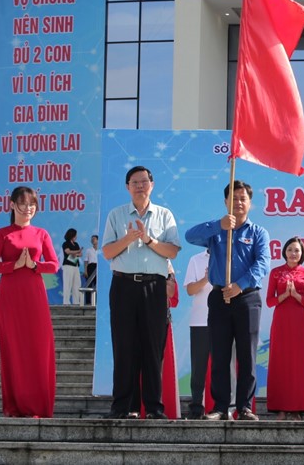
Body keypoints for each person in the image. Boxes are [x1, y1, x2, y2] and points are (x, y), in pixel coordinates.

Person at [186, 179, 269, 421]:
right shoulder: (216, 230)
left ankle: (243, 407)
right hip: (219, 297)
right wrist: (218, 225)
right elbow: (190, 236)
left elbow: (262, 263)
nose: (239, 202)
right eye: (234, 198)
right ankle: (220, 407)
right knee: (220, 354)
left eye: (243, 198)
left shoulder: (258, 233)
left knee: (247, 355)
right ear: (225, 202)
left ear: (250, 203)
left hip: (247, 298)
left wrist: (240, 285)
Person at [101, 165, 181, 420]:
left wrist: (148, 240)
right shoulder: (116, 214)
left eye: (144, 181)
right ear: (127, 187)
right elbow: (107, 253)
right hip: (123, 285)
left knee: (152, 348)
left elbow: (172, 251)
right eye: (134, 182)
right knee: (123, 347)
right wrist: (128, 238)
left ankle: (154, 408)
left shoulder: (164, 215)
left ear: (152, 185)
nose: (139, 186)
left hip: (153, 287)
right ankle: (122, 406)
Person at [0, 186, 59, 418]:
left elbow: (54, 264)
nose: (28, 209)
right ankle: (15, 406)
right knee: (14, 350)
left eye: (32, 205)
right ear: (12, 205)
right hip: (10, 297)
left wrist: (35, 266)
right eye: (23, 204)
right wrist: (13, 266)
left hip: (35, 296)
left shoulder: (41, 234)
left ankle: (39, 407)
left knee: (39, 349)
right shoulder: (2, 234)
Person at [266, 236, 304, 419]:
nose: (293, 253)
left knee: (299, 363)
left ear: (302, 253)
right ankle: (281, 408)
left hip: (299, 322)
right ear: (284, 252)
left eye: (297, 250)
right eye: (290, 249)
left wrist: (296, 295)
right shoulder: (275, 272)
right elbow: (269, 300)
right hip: (281, 321)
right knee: (280, 362)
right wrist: (284, 296)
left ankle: (298, 408)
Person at [131, 265, 181, 419]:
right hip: (137, 316)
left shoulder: (165, 266)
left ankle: (155, 408)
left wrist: (167, 275)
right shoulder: (135, 264)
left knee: (156, 366)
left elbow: (171, 294)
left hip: (159, 320)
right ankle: (134, 407)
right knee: (134, 362)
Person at [183, 249, 212, 419]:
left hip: (223, 320)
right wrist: (206, 279)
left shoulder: (229, 257)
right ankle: (196, 406)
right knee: (198, 367)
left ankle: (222, 407)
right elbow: (190, 290)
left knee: (222, 367)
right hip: (200, 320)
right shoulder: (196, 259)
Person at [61, 228, 82, 305]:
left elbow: (80, 254)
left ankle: (76, 302)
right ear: (72, 235)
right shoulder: (65, 243)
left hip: (75, 265)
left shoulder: (76, 244)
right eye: (75, 235)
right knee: (67, 283)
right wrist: (77, 252)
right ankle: (66, 302)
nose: (76, 236)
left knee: (77, 284)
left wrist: (76, 253)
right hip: (68, 265)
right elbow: (67, 251)